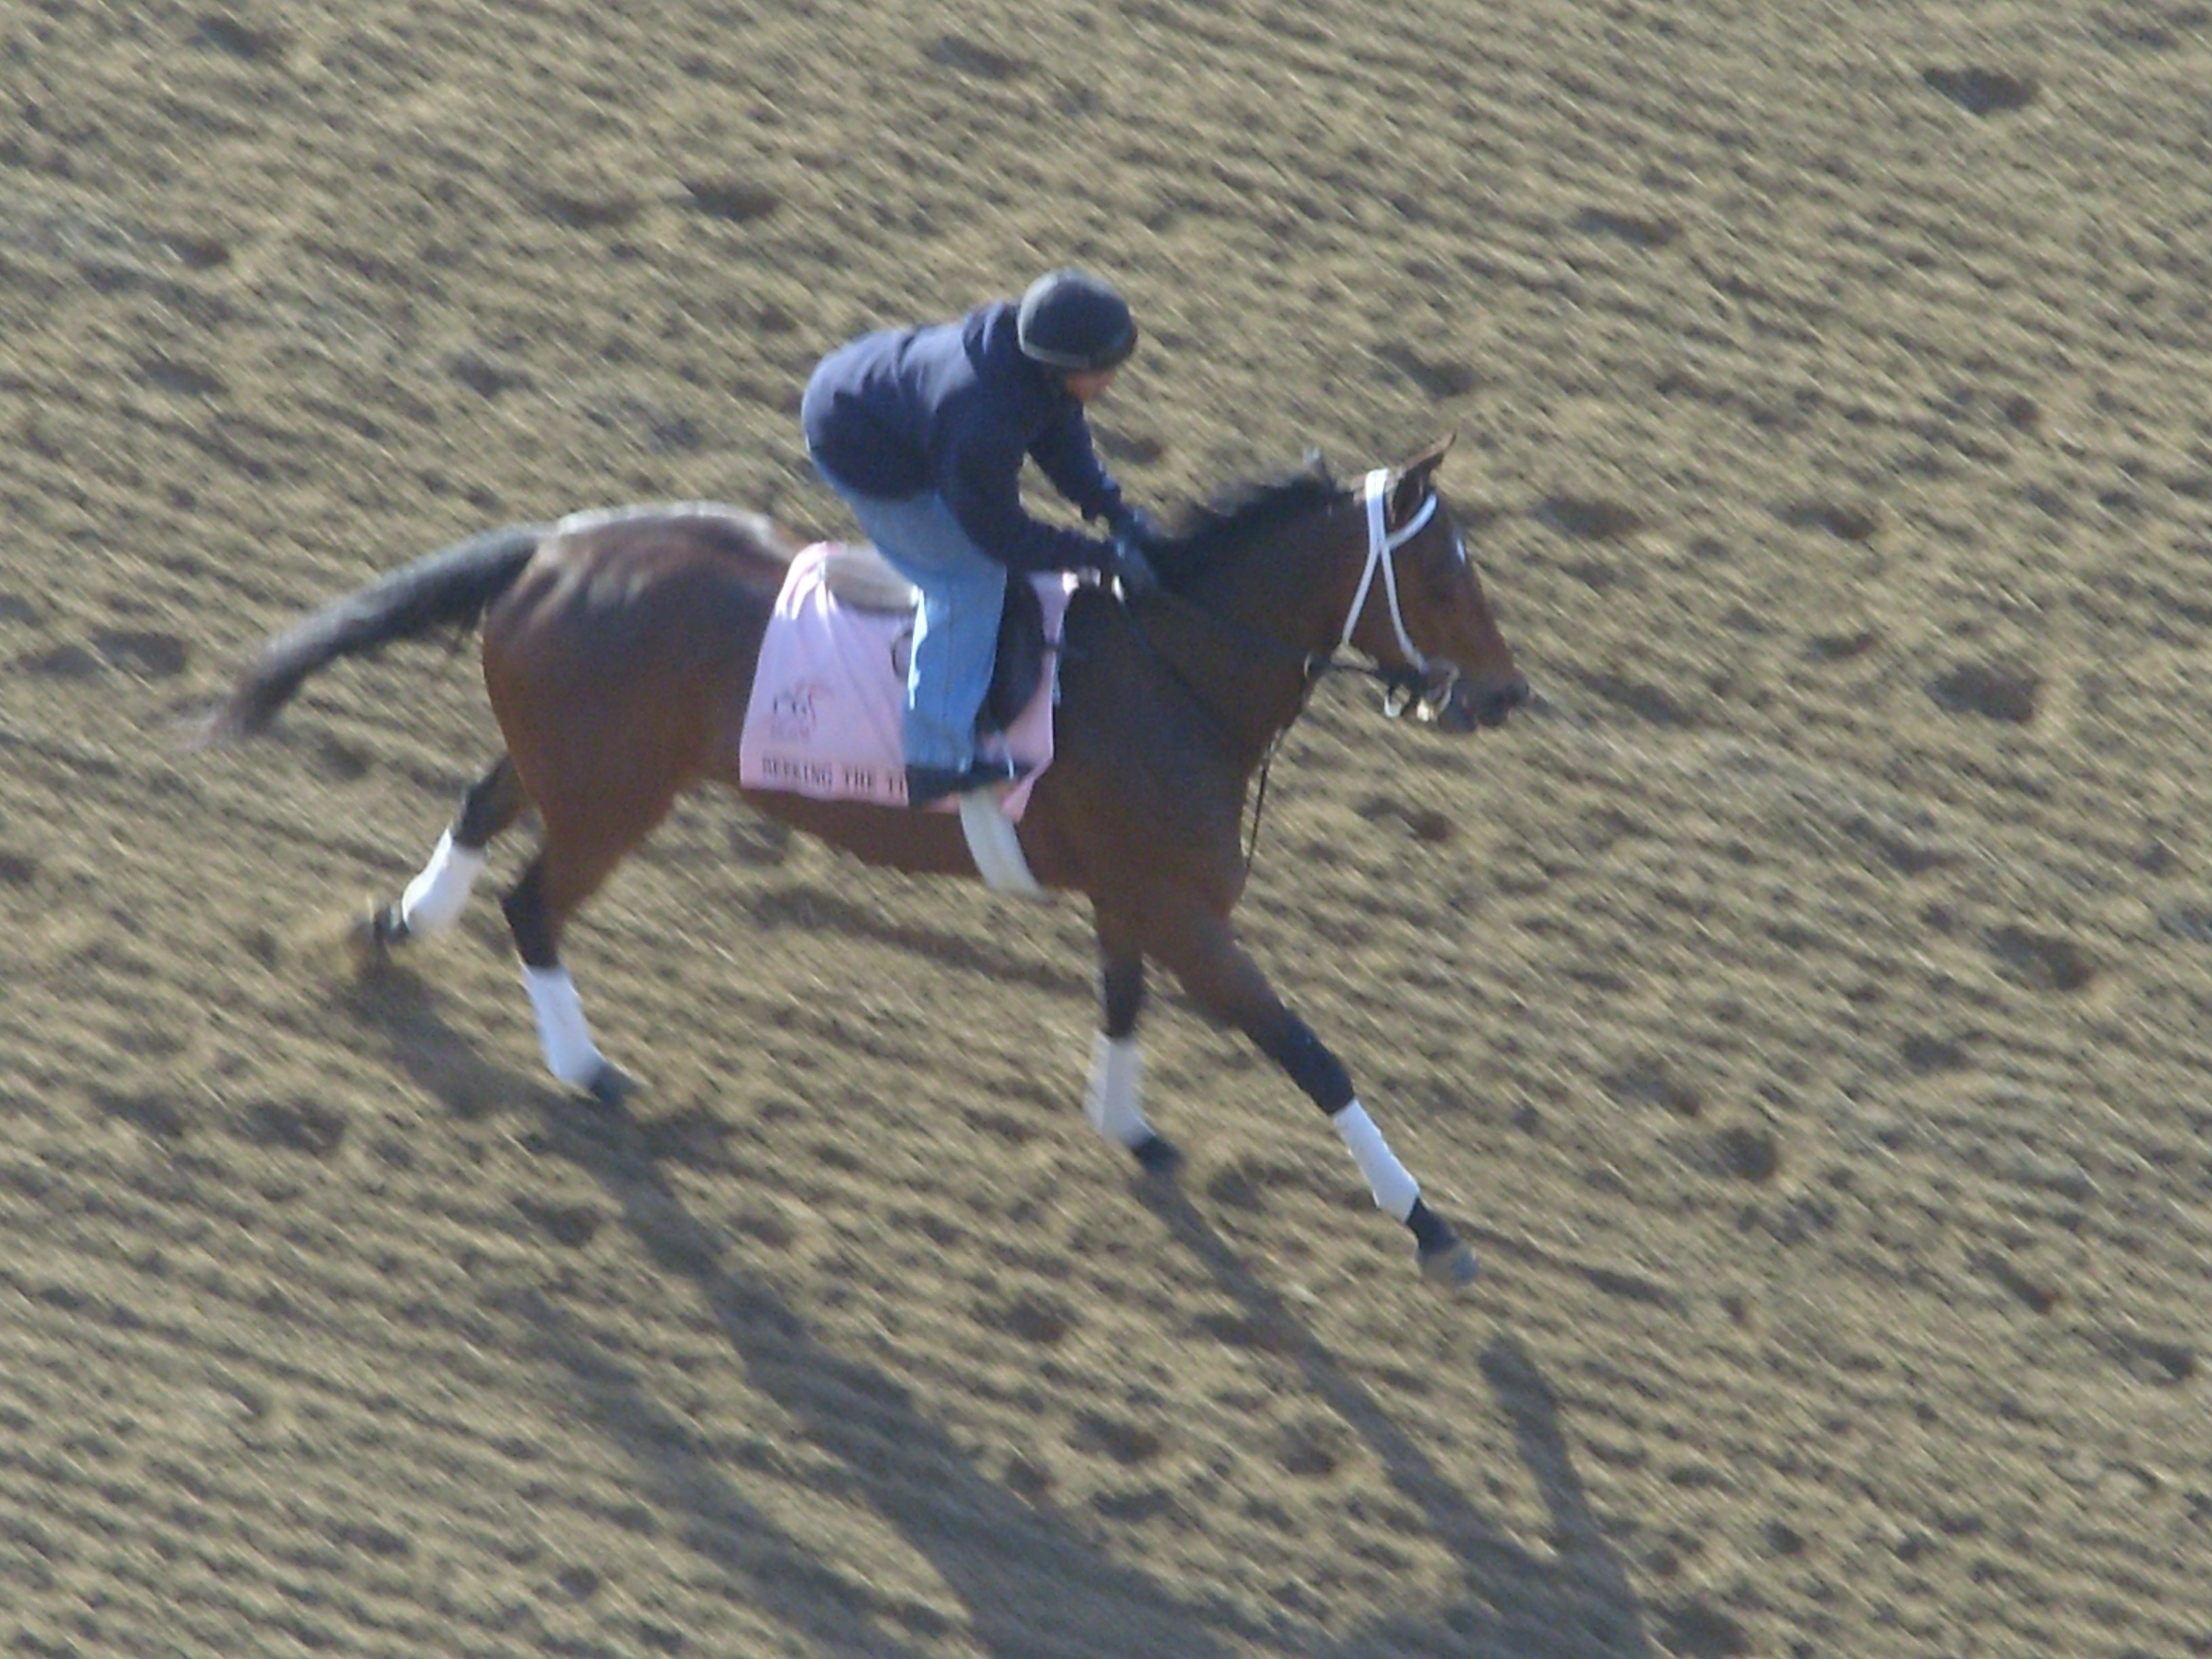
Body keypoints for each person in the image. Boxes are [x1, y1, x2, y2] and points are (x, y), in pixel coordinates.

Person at [802, 268, 1162, 808]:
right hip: (857, 444)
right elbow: (1002, 538)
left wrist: (1117, 513)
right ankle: (936, 759)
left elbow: (1061, 437)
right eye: (1104, 370)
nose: (1111, 381)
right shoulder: (983, 420)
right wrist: (1101, 556)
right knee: (968, 581)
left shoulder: (1037, 365)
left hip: (888, 397)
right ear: (1061, 365)